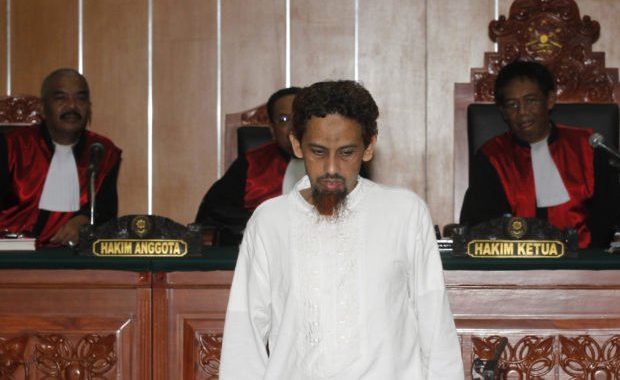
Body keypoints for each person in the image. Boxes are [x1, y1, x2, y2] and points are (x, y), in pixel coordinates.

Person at [219, 80, 464, 379]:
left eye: (346, 153)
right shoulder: (269, 221)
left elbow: (436, 329)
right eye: (318, 152)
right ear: (297, 145)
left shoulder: (405, 213)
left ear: (369, 146)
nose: (332, 168)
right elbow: (244, 339)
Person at [460, 59, 620, 248]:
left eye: (531, 101)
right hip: (515, 267)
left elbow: (607, 218)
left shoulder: (588, 149)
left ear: (550, 100)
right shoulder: (492, 157)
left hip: (584, 265)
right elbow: (481, 227)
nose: (523, 112)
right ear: (503, 112)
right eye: (512, 105)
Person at [0, 68, 122, 247]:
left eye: (80, 99)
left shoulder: (102, 152)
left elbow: (106, 213)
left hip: (70, 261)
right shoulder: (10, 146)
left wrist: (86, 220)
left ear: (89, 108)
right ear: (42, 109)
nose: (72, 106)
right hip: (10, 256)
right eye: (61, 98)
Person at [195, 87, 304, 244]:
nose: (294, 127)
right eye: (284, 120)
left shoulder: (333, 162)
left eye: (300, 118)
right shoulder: (251, 163)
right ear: (272, 130)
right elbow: (212, 216)